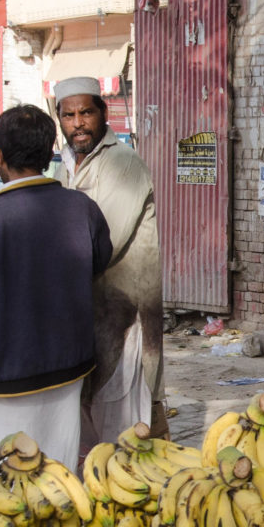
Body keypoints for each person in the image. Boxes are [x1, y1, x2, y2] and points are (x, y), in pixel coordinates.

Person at [0, 105, 112, 464]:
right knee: (57, 474)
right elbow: (99, 265)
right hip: (65, 371)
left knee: (0, 482)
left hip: (0, 379)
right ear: (49, 152)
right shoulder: (82, 208)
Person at [53, 76, 164, 451]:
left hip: (124, 313)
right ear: (59, 119)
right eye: (69, 115)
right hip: (84, 314)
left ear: (102, 113)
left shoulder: (123, 162)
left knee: (125, 429)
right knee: (87, 425)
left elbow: (102, 244)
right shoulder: (64, 165)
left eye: (86, 112)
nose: (78, 123)